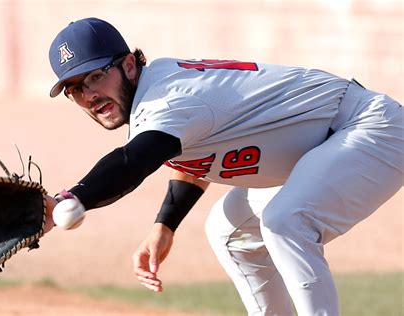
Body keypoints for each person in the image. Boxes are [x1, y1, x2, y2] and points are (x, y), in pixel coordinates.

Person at [44, 17, 403, 315]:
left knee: (285, 220)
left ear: (128, 65)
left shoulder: (168, 98)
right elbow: (197, 152)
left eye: (95, 76)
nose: (89, 95)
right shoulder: (158, 95)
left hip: (370, 128)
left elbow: (131, 162)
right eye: (75, 88)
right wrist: (165, 224)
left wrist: (67, 199)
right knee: (229, 231)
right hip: (322, 144)